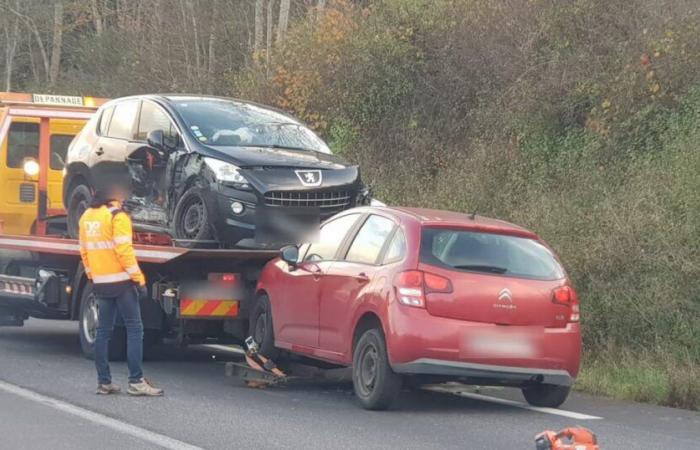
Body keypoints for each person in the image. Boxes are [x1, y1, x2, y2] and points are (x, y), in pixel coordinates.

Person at [78, 185, 164, 396]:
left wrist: (92, 275)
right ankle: (136, 381)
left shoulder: (86, 217)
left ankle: (104, 382)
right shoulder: (118, 216)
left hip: (101, 282)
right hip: (122, 283)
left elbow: (84, 251)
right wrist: (139, 279)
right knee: (135, 329)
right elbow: (124, 251)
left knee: (104, 332)